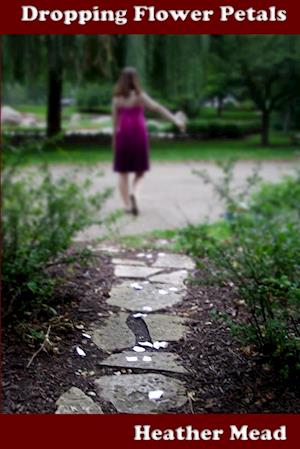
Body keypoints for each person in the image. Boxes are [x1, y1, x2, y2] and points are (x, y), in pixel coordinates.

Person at [112, 67, 186, 215]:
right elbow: (158, 108)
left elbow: (114, 122)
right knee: (140, 171)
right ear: (135, 80)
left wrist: (114, 140)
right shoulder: (140, 96)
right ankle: (135, 194)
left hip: (123, 135)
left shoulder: (116, 100)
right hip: (138, 133)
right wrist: (175, 120)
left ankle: (127, 205)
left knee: (122, 172)